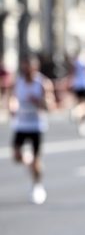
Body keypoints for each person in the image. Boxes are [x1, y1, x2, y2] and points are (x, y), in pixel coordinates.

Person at [8, 53, 54, 204]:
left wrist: (39, 102)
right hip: (21, 124)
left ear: (35, 68)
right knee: (16, 156)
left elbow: (50, 106)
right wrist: (12, 107)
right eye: (24, 67)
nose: (26, 70)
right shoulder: (19, 82)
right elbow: (12, 99)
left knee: (37, 160)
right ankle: (29, 160)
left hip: (36, 125)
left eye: (29, 67)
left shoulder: (42, 83)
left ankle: (37, 185)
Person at [68, 52, 85, 137]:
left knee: (81, 103)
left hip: (77, 85)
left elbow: (72, 73)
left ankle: (81, 121)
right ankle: (77, 112)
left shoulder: (75, 63)